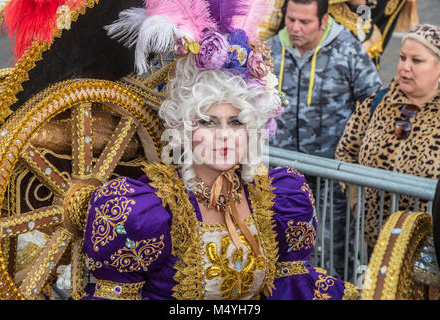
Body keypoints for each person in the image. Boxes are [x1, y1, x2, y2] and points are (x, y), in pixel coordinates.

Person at [80, 0, 359, 300]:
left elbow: (292, 289)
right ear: (184, 129)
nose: (224, 136)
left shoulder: (279, 201)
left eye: (236, 123)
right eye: (208, 123)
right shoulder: (144, 214)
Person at [266, 0, 382, 279]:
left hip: (332, 178)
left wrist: (357, 153)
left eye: (304, 22)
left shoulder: (348, 49)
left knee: (333, 256)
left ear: (323, 19)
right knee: (277, 249)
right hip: (279, 176)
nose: (295, 28)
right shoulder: (269, 50)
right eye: (290, 19)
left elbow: (374, 102)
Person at [335, 24, 440, 247]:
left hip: (430, 251)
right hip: (379, 245)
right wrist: (356, 203)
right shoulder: (378, 102)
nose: (405, 67)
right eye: (402, 58)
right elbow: (346, 152)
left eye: (417, 61)